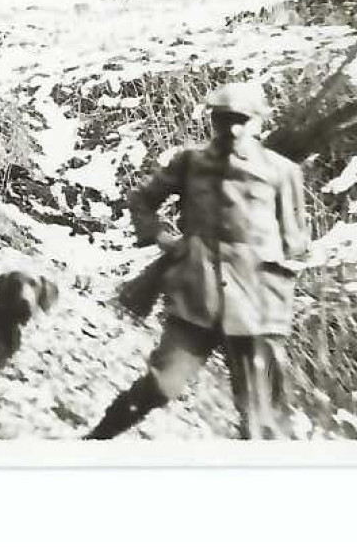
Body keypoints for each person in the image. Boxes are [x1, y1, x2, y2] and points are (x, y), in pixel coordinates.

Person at [84, 81, 311, 440]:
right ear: (212, 122)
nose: (232, 129)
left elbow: (296, 241)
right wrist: (161, 237)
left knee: (260, 416)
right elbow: (142, 200)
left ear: (258, 123)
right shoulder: (189, 162)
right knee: (160, 386)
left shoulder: (283, 172)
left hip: (257, 306)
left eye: (242, 120)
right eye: (223, 120)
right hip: (195, 298)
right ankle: (92, 444)